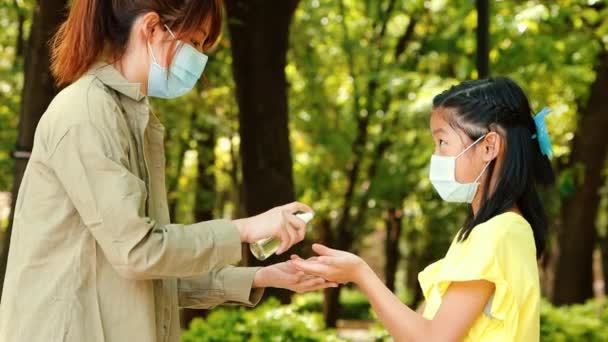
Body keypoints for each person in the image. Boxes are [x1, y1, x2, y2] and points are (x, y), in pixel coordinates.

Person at [0, 1, 335, 341]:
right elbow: (140, 253)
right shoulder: (86, 113)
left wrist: (261, 278)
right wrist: (244, 229)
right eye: (195, 42)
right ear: (151, 28)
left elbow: (152, 273)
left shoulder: (130, 117)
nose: (200, 61)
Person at [291, 77, 555, 341]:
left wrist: (360, 274)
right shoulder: (491, 232)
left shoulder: (497, 234)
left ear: (488, 146)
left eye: (442, 142)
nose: (436, 157)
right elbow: (417, 331)